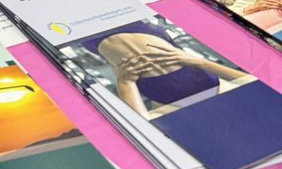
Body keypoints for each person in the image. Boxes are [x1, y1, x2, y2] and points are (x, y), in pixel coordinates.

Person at [79, 22, 248, 119]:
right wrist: (200, 62)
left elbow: (141, 124)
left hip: (101, 44)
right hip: (147, 34)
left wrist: (125, 81)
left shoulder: (171, 120)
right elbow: (252, 81)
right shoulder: (236, 102)